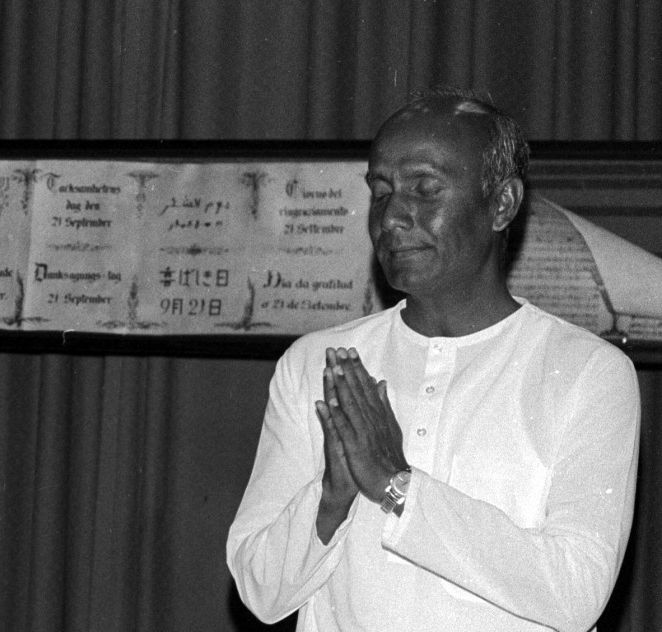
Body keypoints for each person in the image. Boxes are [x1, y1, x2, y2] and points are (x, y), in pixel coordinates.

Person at [226, 87, 640, 631]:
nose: (392, 217)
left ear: (502, 204)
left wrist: (397, 484)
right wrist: (331, 497)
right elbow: (258, 590)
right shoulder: (315, 364)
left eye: (425, 189)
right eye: (381, 192)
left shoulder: (588, 372)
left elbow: (577, 592)